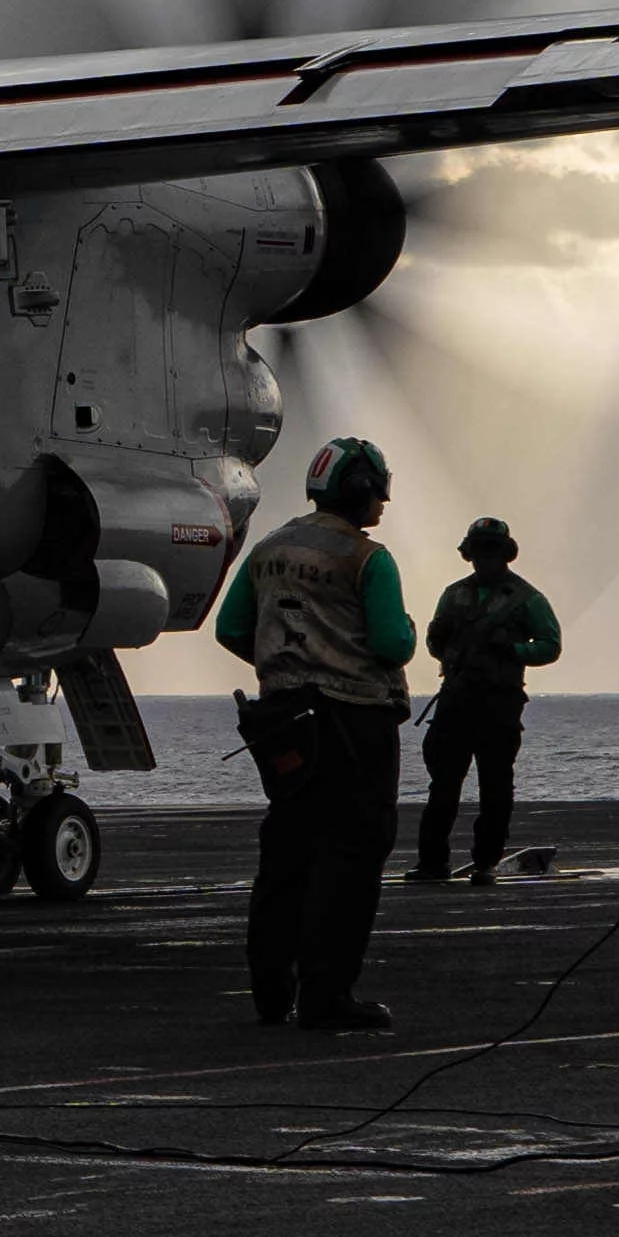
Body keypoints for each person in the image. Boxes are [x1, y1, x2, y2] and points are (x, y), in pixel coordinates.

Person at [212, 435, 406, 1030]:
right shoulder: (367, 559)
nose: (382, 504)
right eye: (377, 492)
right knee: (350, 860)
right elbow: (391, 643)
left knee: (287, 854)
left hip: (284, 722)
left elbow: (230, 629)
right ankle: (327, 997)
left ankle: (272, 991)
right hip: (354, 721)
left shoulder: (269, 549)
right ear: (359, 490)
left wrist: (283, 665)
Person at [417, 518, 565, 882]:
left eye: (491, 550)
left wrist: (513, 650)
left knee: (495, 788)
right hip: (456, 701)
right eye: (479, 550)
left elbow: (550, 645)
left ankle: (485, 862)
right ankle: (432, 862)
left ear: (505, 553)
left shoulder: (526, 599)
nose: (484, 558)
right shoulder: (453, 595)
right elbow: (437, 645)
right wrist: (439, 640)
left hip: (498, 704)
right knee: (443, 787)